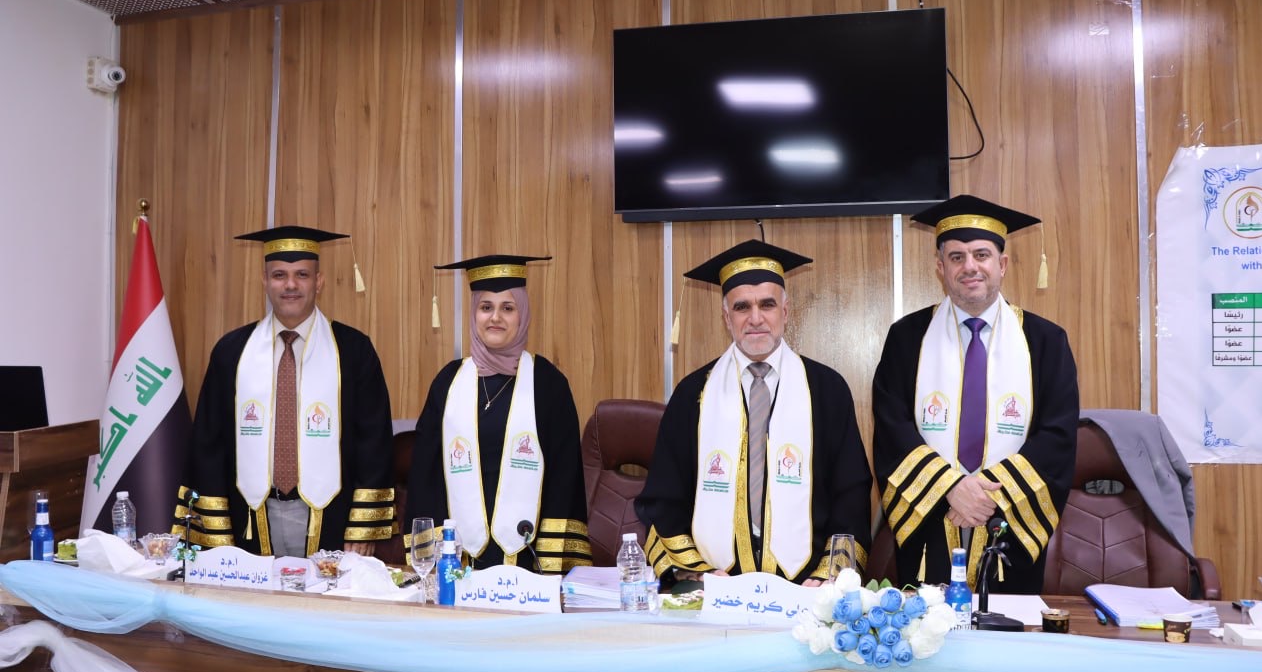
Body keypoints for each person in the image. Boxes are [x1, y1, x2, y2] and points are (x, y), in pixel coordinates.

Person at [872, 196, 1079, 594]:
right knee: (927, 624)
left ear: (1002, 264)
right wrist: (950, 488)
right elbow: (892, 428)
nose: (970, 267)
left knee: (1008, 626)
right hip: (931, 520)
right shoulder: (906, 339)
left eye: (981, 255)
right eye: (956, 257)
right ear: (940, 268)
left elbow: (1057, 437)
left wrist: (986, 495)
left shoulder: (1046, 341)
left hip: (1007, 524)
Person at [636, 240, 873, 585]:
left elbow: (851, 493)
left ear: (785, 312)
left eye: (767, 304)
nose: (756, 318)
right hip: (715, 583)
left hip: (806, 585)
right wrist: (695, 571)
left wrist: (829, 575)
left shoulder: (827, 390)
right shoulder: (692, 395)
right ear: (726, 317)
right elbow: (664, 497)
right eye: (742, 307)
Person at [179, 226, 395, 557]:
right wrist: (216, 531)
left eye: (302, 275)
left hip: (332, 518)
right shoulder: (232, 352)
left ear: (319, 282)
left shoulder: (353, 351)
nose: (290, 285)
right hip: (249, 515)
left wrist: (362, 526)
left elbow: (373, 441)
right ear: (264, 281)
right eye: (279, 275)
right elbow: (209, 444)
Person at [402, 255, 591, 574]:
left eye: (508, 308)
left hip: (529, 560)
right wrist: (434, 557)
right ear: (473, 313)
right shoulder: (448, 382)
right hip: (457, 559)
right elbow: (426, 475)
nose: (495, 318)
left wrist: (548, 566)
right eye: (486, 307)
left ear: (523, 314)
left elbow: (564, 478)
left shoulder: (547, 384)